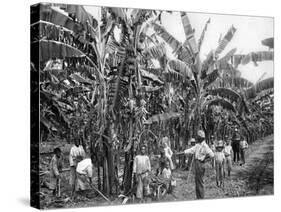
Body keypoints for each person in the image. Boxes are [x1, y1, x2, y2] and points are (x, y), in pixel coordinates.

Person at [184, 130, 214, 199]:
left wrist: (204, 159)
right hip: (197, 163)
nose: (197, 138)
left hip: (201, 164)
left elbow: (212, 155)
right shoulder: (198, 145)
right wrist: (183, 152)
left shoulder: (205, 146)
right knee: (197, 181)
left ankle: (201, 197)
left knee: (200, 182)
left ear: (201, 138)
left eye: (198, 137)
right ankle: (198, 197)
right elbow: (191, 150)